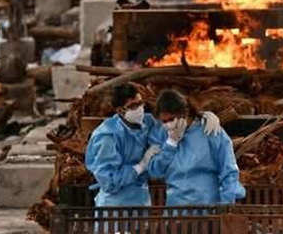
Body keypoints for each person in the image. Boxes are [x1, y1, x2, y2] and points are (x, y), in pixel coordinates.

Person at [85, 83, 224, 207]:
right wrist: (141, 165)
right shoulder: (107, 136)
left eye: (140, 103)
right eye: (133, 106)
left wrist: (202, 116)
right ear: (120, 110)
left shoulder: (148, 122)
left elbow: (173, 120)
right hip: (114, 208)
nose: (139, 109)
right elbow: (109, 182)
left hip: (141, 201)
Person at [148, 89, 246, 206]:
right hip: (176, 209)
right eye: (164, 121)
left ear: (185, 113)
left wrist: (227, 203)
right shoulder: (161, 134)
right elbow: (155, 171)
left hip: (208, 207)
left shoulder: (209, 130)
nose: (168, 124)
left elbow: (228, 170)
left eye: (171, 119)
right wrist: (171, 144)